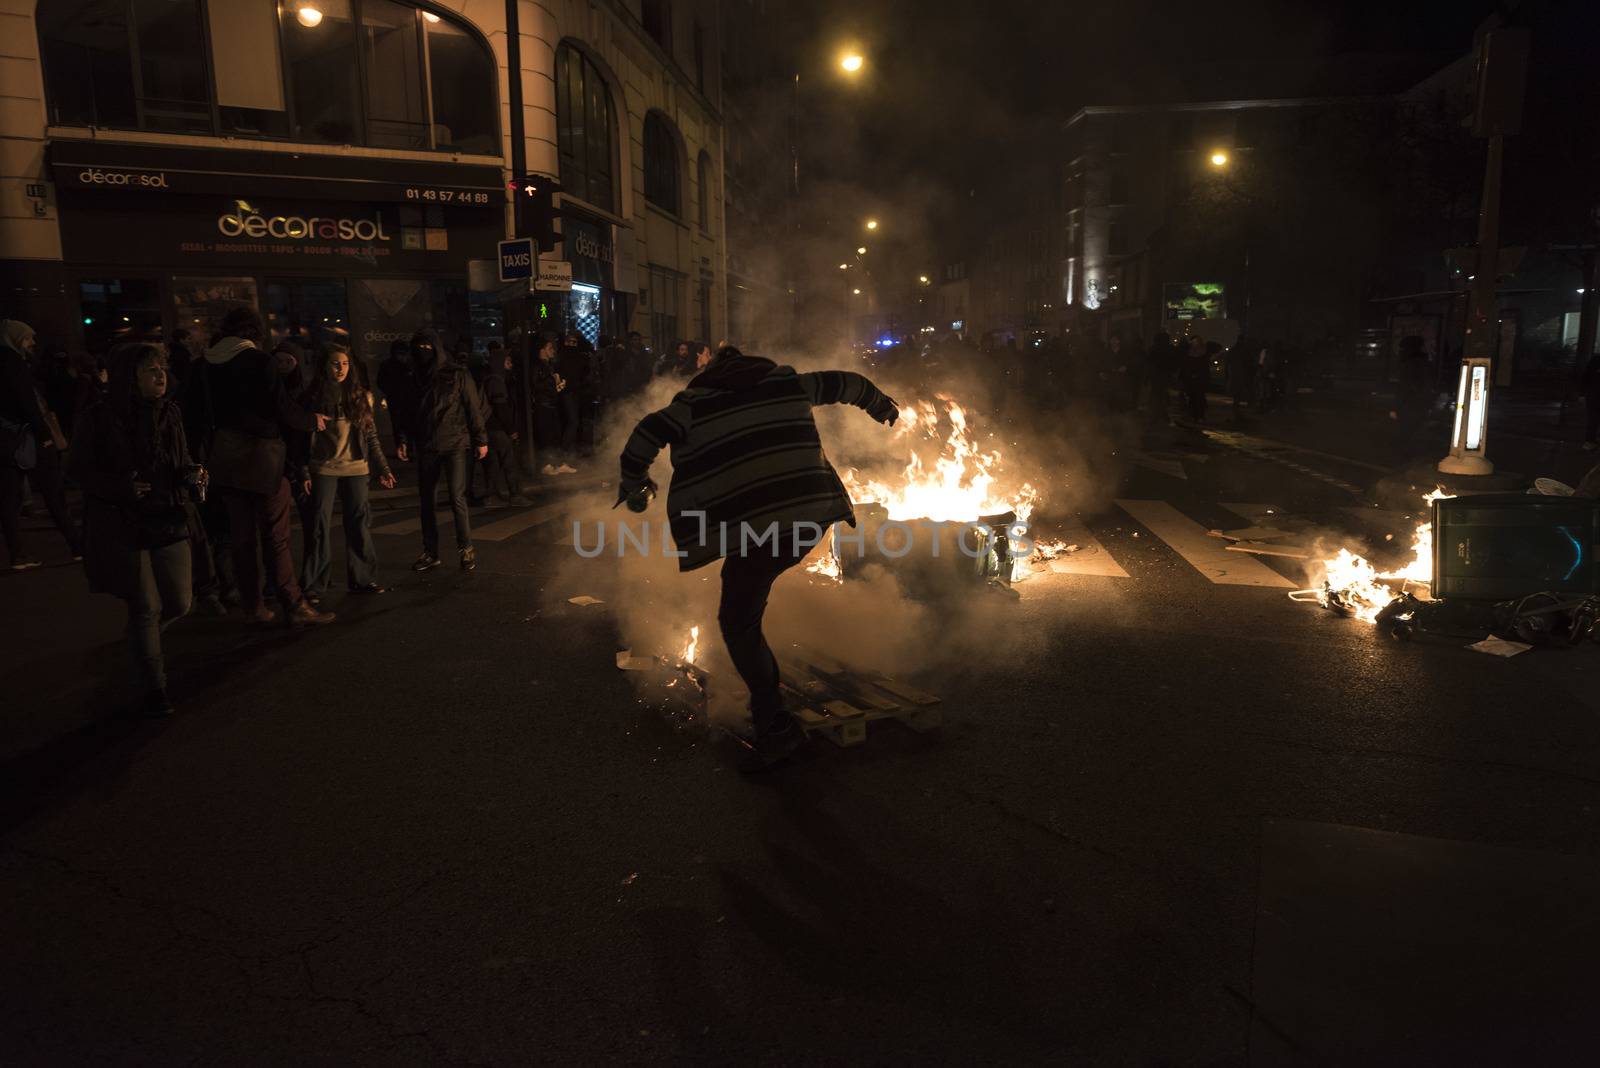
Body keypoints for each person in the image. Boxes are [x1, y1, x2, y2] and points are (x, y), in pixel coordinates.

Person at [618, 345, 901, 773]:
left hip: (753, 527)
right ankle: (772, 713)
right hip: (809, 518)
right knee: (756, 576)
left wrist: (635, 484)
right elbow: (849, 383)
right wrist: (881, 405)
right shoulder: (787, 383)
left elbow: (643, 436)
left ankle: (775, 725)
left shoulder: (693, 405)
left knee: (738, 620)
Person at [71, 344, 201, 716]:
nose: (161, 376)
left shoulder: (170, 412)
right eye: (150, 370)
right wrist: (120, 487)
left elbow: (183, 457)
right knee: (147, 605)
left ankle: (139, 647)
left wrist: (191, 473)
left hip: (167, 514)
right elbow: (77, 470)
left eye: (162, 369)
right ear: (131, 377)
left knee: (179, 601)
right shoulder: (98, 417)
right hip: (121, 521)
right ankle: (154, 688)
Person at [203, 306, 335, 626]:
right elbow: (282, 408)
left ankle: (254, 606)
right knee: (276, 535)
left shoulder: (204, 365)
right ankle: (293, 603)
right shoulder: (259, 361)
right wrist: (312, 421)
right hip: (263, 457)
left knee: (241, 537)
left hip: (224, 455)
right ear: (255, 332)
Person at [297, 343, 395, 598]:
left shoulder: (360, 395)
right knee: (319, 526)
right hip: (323, 467)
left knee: (359, 525)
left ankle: (363, 579)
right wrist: (304, 472)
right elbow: (299, 439)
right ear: (324, 366)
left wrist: (383, 468)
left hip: (356, 468)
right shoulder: (312, 396)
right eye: (334, 363)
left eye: (345, 363)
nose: (340, 368)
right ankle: (315, 584)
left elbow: (371, 436)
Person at [393, 329, 488, 572]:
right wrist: (403, 440)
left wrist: (480, 439)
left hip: (455, 443)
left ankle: (466, 549)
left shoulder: (457, 374)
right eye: (419, 348)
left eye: (427, 348)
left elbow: (472, 408)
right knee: (427, 501)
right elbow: (405, 413)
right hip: (427, 445)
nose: (423, 352)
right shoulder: (412, 377)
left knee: (457, 499)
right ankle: (431, 552)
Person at [2, 319, 77, 570]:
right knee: (53, 492)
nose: (32, 342)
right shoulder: (14, 363)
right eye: (28, 337)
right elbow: (28, 403)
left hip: (6, 439)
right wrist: (44, 435)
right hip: (28, 436)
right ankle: (77, 545)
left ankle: (18, 554)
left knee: (9, 499)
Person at [481, 349, 531, 503]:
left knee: (493, 463)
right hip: (498, 428)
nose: (510, 365)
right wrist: (512, 430)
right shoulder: (497, 381)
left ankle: (491, 495)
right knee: (510, 462)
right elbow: (501, 408)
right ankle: (515, 494)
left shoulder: (489, 379)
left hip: (489, 427)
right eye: (507, 362)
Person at [1180, 336, 1211, 423]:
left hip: (1197, 380)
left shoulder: (1200, 355)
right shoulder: (1197, 355)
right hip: (1194, 380)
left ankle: (1197, 416)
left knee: (1197, 398)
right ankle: (1196, 416)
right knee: (1195, 398)